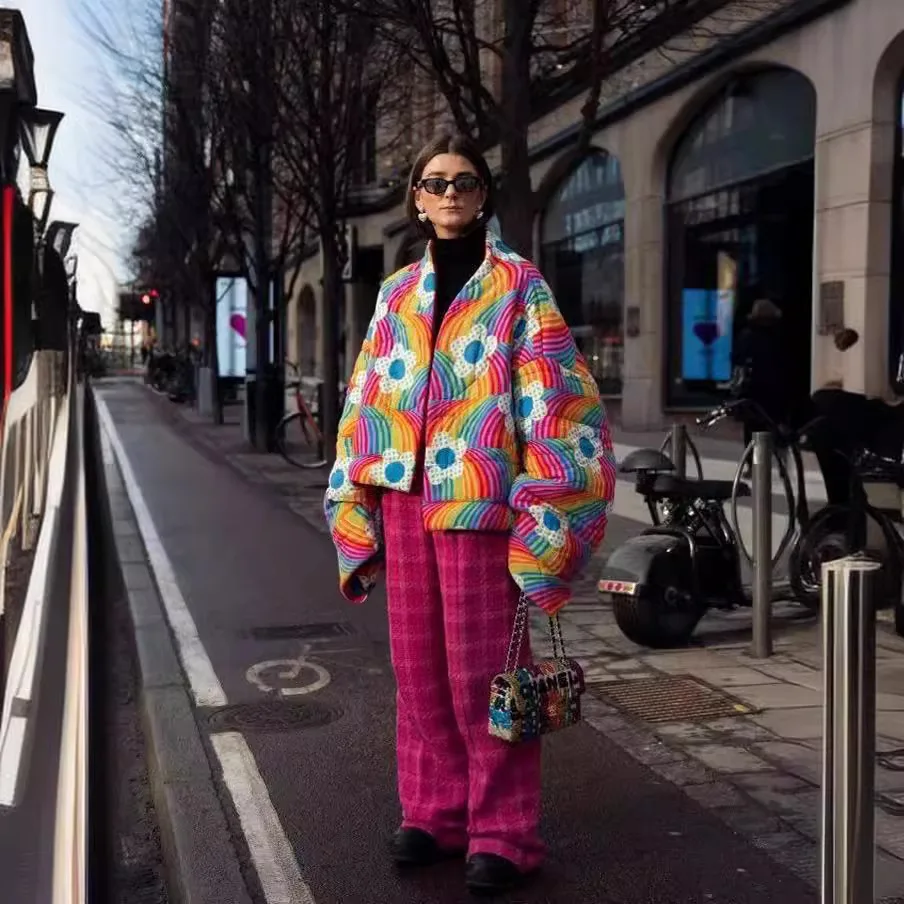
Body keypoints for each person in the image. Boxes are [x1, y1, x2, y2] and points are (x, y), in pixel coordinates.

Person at [323, 134, 615, 896]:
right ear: (417, 198)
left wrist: (546, 509)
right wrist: (354, 495)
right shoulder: (394, 294)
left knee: (487, 678)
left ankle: (503, 833)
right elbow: (366, 397)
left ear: (483, 196)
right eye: (435, 182)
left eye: (464, 182)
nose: (450, 194)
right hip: (405, 497)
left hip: (482, 506)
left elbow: (558, 401)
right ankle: (433, 813)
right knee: (417, 672)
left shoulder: (521, 285)